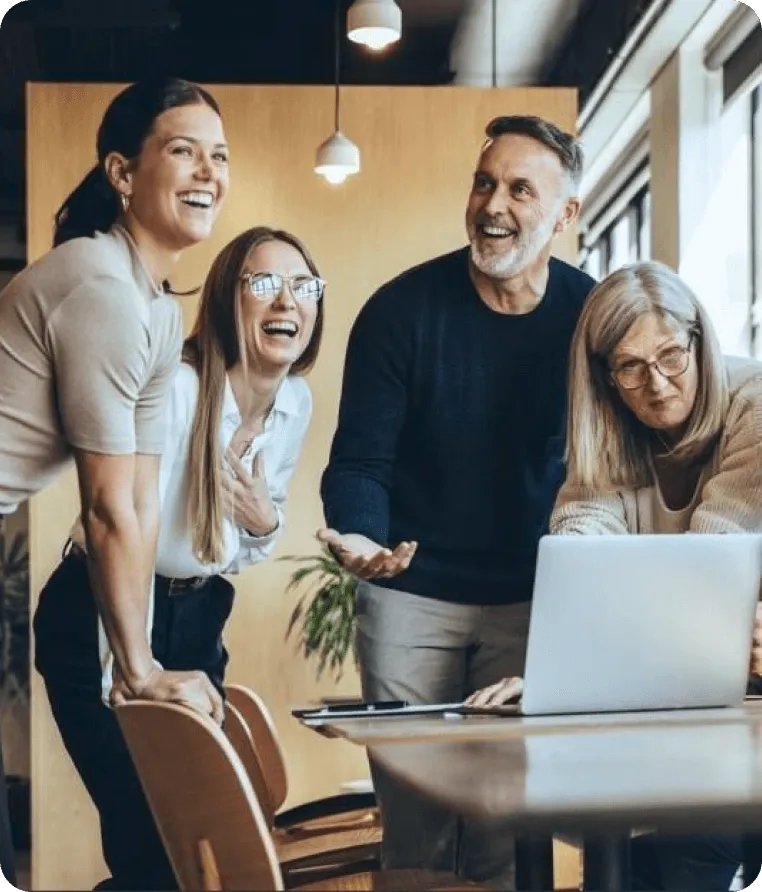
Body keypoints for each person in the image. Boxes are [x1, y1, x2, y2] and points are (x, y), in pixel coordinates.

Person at [318, 114, 596, 887]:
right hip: (412, 598)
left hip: (531, 599)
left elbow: (611, 469)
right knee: (416, 831)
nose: (493, 204)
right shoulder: (399, 311)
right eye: (483, 182)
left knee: (504, 833)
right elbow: (360, 463)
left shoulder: (590, 317)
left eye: (518, 189)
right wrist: (362, 539)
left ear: (565, 215)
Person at [34, 225, 323, 889]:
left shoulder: (293, 405)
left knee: (201, 845)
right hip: (103, 610)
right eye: (264, 283)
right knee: (151, 842)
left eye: (303, 286)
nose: (288, 302)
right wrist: (128, 669)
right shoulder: (180, 391)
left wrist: (265, 519)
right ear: (229, 299)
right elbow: (122, 527)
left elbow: (246, 547)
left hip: (197, 619)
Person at [468, 260, 762, 890]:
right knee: (672, 856)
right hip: (697, 710)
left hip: (748, 699)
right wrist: (555, 673)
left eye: (670, 356)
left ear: (699, 341)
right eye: (630, 366)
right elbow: (581, 551)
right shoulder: (604, 435)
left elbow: (711, 561)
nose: (657, 384)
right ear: (605, 375)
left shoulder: (755, 405)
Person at [0, 76, 228, 889]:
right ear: (122, 174)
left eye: (219, 156)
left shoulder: (158, 312)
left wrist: (146, 664)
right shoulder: (99, 287)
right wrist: (135, 669)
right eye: (182, 151)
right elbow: (101, 510)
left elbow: (138, 497)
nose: (208, 172)